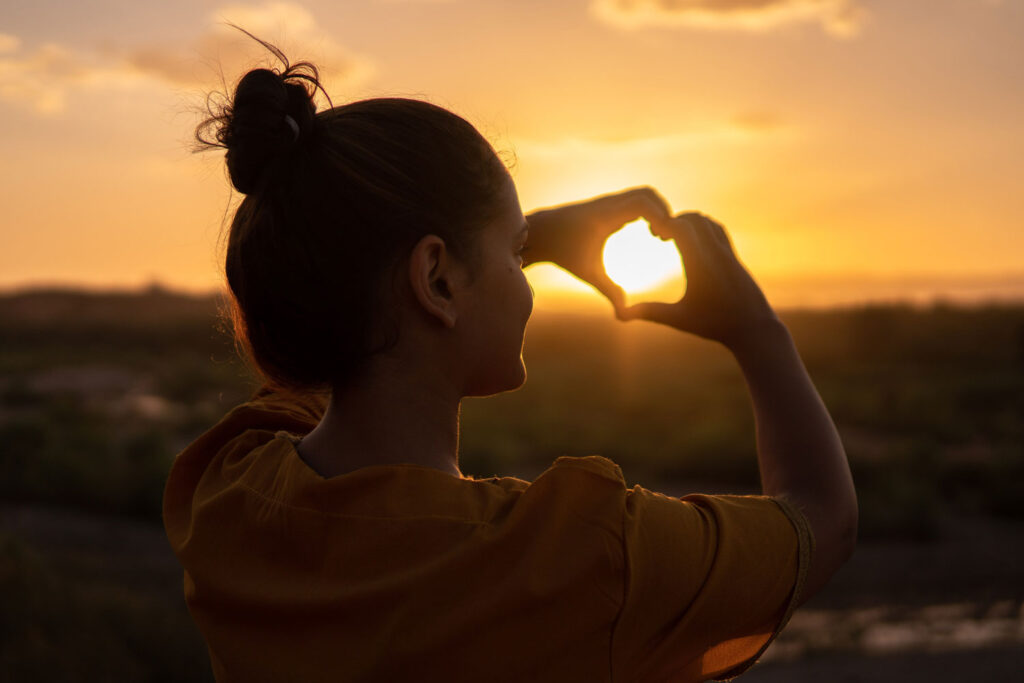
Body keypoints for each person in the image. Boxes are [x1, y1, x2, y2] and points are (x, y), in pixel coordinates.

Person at [163, 39, 857, 683]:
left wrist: (499, 244)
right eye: (515, 250)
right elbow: (821, 518)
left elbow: (345, 329)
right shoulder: (581, 558)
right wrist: (757, 331)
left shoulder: (228, 492)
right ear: (435, 279)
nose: (526, 277)